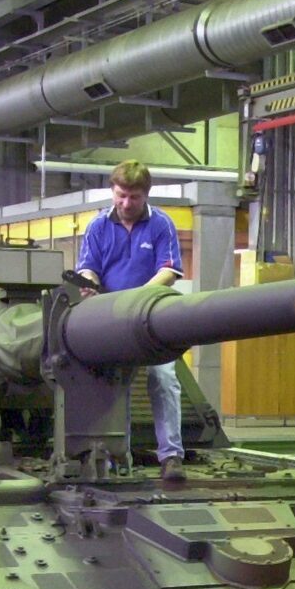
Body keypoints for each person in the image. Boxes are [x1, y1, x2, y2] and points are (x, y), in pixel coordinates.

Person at [75, 160, 187, 481]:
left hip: (152, 317)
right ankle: (116, 456)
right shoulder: (98, 226)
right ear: (112, 191)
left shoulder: (161, 224)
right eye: (120, 195)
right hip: (112, 319)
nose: (126, 203)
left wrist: (137, 298)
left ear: (146, 195)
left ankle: (171, 456)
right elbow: (88, 267)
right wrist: (89, 282)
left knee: (163, 379)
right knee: (113, 384)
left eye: (133, 197)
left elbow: (169, 270)